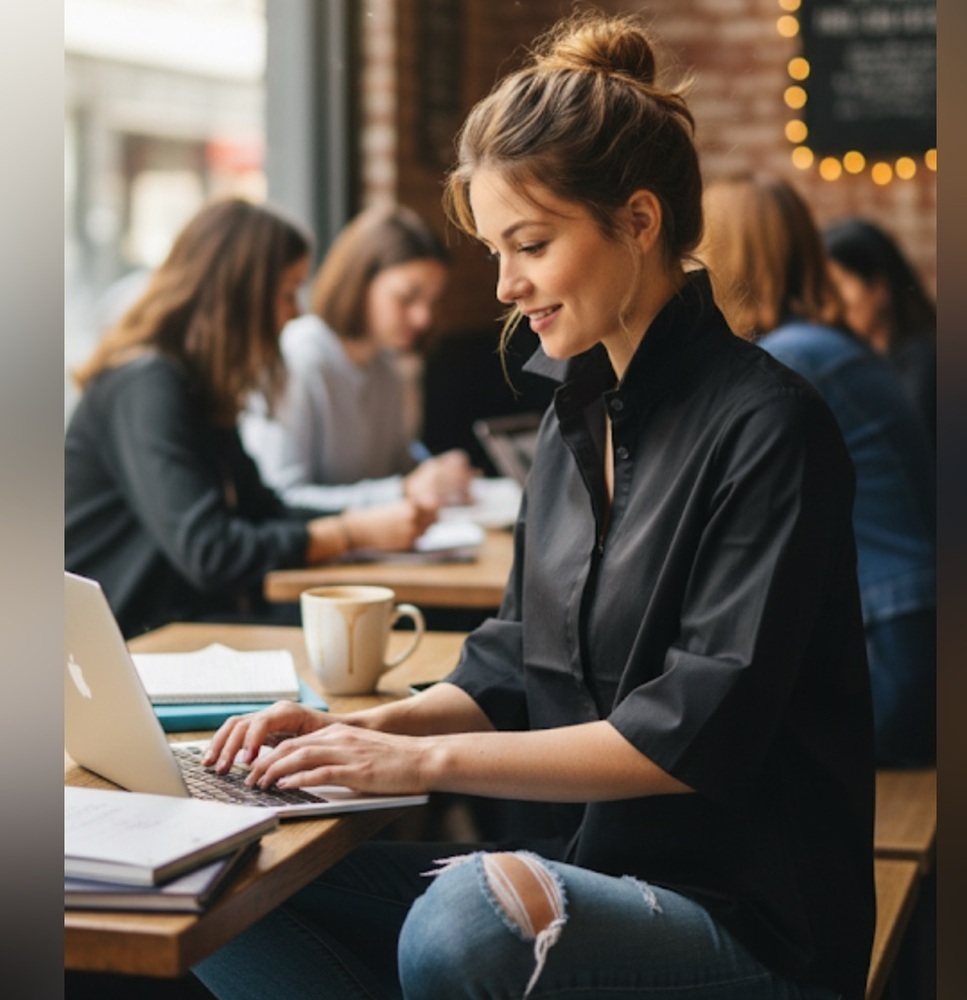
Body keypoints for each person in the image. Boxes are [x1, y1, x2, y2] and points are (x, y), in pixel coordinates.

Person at [195, 14, 874, 1000]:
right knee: (219, 884)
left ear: (639, 222)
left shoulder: (772, 424)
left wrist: (405, 765)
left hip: (747, 918)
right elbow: (511, 663)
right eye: (496, 252)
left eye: (530, 245)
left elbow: (694, 731)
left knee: (471, 923)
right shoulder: (571, 418)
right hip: (577, 870)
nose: (508, 286)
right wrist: (360, 731)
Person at [65, 198, 435, 639]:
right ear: (240, 298)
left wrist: (371, 525)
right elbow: (212, 553)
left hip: (181, 629)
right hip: (125, 649)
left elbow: (263, 509)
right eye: (286, 293)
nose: (296, 311)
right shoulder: (145, 385)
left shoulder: (198, 387)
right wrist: (351, 532)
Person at [700, 172, 936, 767]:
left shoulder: (792, 360)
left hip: (891, 663)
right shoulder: (821, 346)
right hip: (908, 642)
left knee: (711, 756)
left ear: (726, 258)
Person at [240, 204, 477, 513]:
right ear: (360, 282)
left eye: (431, 303)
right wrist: (404, 490)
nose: (423, 318)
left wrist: (434, 473)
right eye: (406, 297)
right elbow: (282, 496)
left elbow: (395, 470)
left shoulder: (387, 370)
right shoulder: (299, 359)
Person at [823, 218, 936, 439]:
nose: (830, 302)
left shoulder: (926, 363)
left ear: (879, 287)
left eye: (839, 285)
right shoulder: (851, 359)